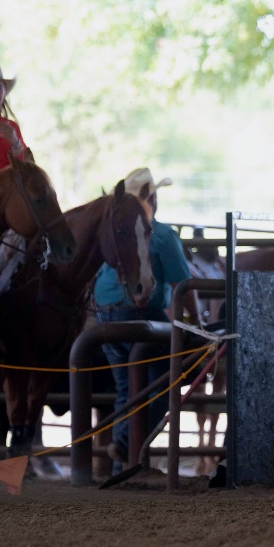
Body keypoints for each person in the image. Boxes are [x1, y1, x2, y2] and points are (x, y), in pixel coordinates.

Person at [93, 168, 200, 471]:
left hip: (105, 314)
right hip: (141, 316)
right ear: (151, 197)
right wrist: (197, 321)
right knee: (163, 387)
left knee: (126, 390)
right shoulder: (161, 234)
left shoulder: (115, 225)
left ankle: (121, 465)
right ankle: (128, 446)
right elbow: (183, 284)